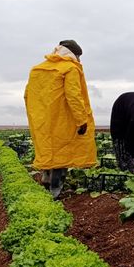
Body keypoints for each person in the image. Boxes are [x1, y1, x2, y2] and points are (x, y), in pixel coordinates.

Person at [24, 39, 97, 199]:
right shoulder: (70, 68)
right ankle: (55, 191)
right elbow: (73, 95)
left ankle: (46, 179)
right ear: (73, 54)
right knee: (62, 153)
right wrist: (81, 120)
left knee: (48, 150)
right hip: (62, 119)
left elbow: (28, 94)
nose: (79, 59)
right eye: (78, 55)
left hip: (43, 120)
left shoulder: (38, 69)